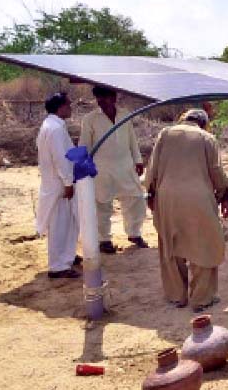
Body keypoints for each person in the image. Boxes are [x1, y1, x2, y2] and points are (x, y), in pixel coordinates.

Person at [144, 109, 228, 312]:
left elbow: (152, 168)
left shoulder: (165, 133)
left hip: (167, 197)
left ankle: (177, 296)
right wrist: (224, 196)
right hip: (198, 198)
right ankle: (202, 298)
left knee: (171, 246)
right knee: (205, 245)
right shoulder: (207, 138)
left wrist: (151, 194)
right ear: (203, 123)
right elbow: (216, 171)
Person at [79, 86, 148, 253]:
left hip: (125, 165)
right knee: (102, 203)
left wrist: (138, 160)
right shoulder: (90, 119)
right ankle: (104, 240)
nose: (101, 101)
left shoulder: (125, 115)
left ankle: (134, 233)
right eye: (98, 99)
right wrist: (84, 167)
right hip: (101, 168)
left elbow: (132, 139)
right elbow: (84, 145)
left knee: (136, 198)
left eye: (104, 97)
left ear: (113, 97)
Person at [36, 92, 81, 279]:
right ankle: (58, 266)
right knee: (60, 225)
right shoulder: (54, 129)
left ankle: (67, 256)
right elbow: (60, 159)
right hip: (59, 184)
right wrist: (68, 182)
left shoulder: (52, 126)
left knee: (68, 222)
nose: (70, 108)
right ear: (60, 107)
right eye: (68, 104)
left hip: (57, 182)